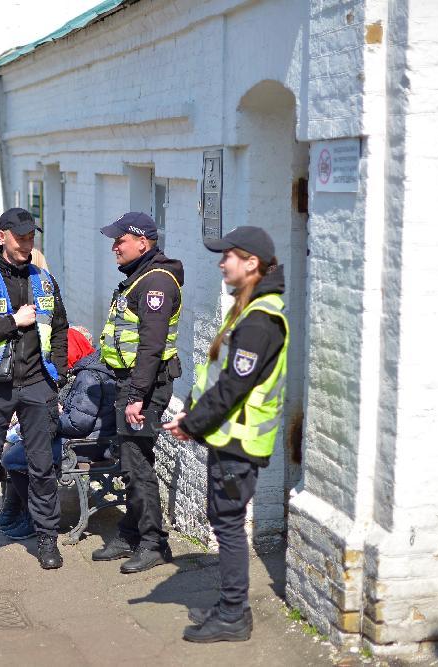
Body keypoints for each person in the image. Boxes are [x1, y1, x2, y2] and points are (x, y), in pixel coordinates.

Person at [163, 226, 288, 643]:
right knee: (224, 523)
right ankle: (229, 606)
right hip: (229, 439)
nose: (221, 262)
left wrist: (191, 423)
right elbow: (220, 379)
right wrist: (196, 423)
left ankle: (234, 615)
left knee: (229, 527)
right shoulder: (249, 308)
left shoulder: (260, 320)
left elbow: (234, 386)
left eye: (228, 255)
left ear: (251, 262)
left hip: (241, 445)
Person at [0, 207, 69, 573]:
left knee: (42, 468)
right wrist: (12, 322)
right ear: (2, 235)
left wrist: (61, 372)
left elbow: (60, 328)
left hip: (38, 385)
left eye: (31, 238)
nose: (27, 244)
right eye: (20, 237)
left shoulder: (44, 280)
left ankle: (47, 540)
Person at [92, 212, 183, 574]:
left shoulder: (156, 283)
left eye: (121, 240)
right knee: (131, 463)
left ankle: (153, 542)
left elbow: (151, 346)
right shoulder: (139, 278)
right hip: (130, 382)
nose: (115, 247)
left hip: (144, 385)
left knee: (137, 465)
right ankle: (131, 532)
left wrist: (137, 396)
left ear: (142, 242)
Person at [0, 327, 116, 540]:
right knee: (17, 446)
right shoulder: (89, 369)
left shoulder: (87, 376)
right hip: (86, 439)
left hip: (84, 444)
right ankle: (15, 512)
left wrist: (48, 417)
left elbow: (78, 424)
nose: (56, 359)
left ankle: (35, 517)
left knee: (13, 458)